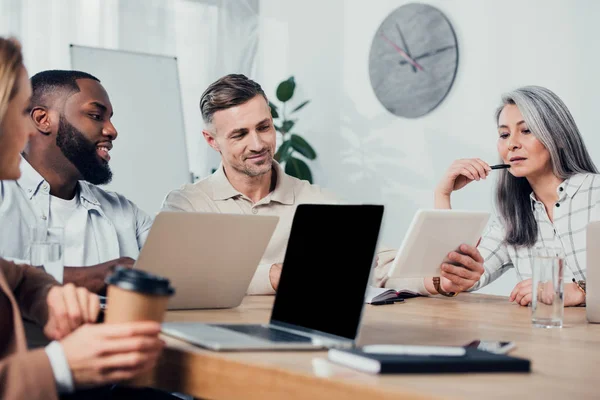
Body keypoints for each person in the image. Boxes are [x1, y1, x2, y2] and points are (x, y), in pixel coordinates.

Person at [0, 36, 165, 400]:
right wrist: (62, 366)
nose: (26, 130)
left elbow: (16, 275)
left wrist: (47, 295)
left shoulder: (120, 209)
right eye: (18, 114)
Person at [162, 74, 396, 294]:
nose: (257, 144)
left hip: (297, 333)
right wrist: (275, 275)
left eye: (264, 127)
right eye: (240, 135)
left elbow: (380, 264)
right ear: (212, 140)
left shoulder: (317, 200)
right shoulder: (187, 205)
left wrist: (431, 279)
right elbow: (177, 275)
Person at [376, 85, 596, 307]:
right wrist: (443, 195)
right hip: (541, 340)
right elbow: (457, 275)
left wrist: (582, 291)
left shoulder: (595, 193)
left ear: (558, 137)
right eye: (504, 134)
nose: (512, 144)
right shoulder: (513, 221)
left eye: (526, 130)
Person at [0, 69, 153, 294]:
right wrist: (91, 277)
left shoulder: (124, 212)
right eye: (95, 116)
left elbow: (176, 270)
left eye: (110, 118)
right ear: (43, 119)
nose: (112, 131)